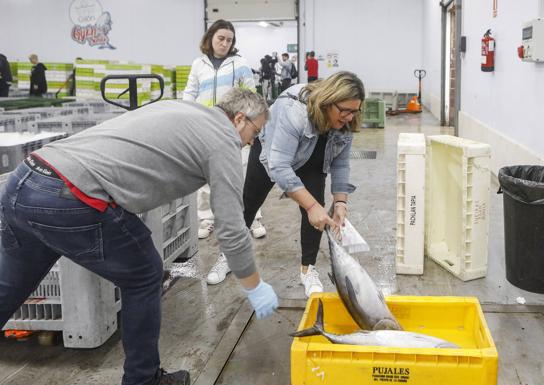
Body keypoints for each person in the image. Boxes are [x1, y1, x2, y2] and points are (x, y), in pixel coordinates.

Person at [0, 88, 278, 385]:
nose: (253, 140)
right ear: (238, 119)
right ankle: (143, 380)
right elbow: (231, 227)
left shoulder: (186, 111)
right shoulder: (223, 140)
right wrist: (254, 286)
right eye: (255, 131)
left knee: (9, 287)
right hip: (71, 196)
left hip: (26, 179)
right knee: (145, 274)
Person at [206, 71, 365, 297]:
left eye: (354, 111)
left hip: (313, 157)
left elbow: (340, 164)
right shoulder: (295, 111)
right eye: (345, 111)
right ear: (329, 100)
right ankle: (229, 256)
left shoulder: (347, 122)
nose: (349, 117)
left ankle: (307, 269)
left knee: (317, 207)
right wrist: (310, 207)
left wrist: (340, 203)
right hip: (273, 152)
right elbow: (279, 166)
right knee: (249, 202)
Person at [183, 19, 267, 247]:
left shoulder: (239, 63)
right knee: (205, 176)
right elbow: (190, 92)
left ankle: (253, 218)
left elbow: (251, 94)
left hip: (234, 128)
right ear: (210, 38)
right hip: (205, 126)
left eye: (229, 40)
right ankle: (206, 220)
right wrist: (188, 115)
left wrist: (251, 125)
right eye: (221, 38)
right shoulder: (198, 64)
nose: (224, 43)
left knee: (242, 173)